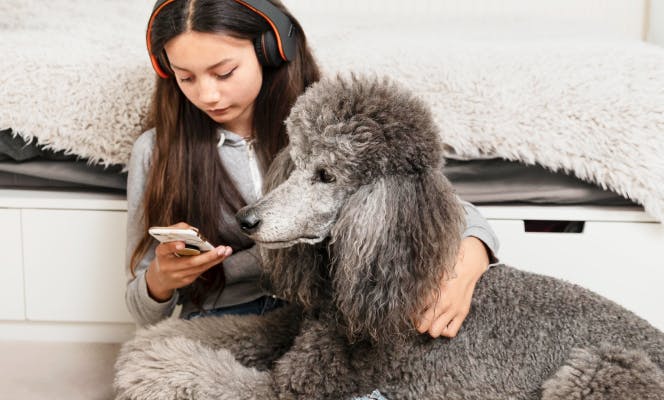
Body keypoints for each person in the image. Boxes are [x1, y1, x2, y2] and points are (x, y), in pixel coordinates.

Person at [125, 0, 499, 340]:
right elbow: (143, 313)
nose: (206, 94)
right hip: (220, 323)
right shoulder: (156, 151)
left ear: (272, 52)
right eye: (185, 77)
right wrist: (161, 279)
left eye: (224, 73)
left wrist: (472, 254)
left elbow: (433, 205)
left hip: (320, 318)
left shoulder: (327, 124)